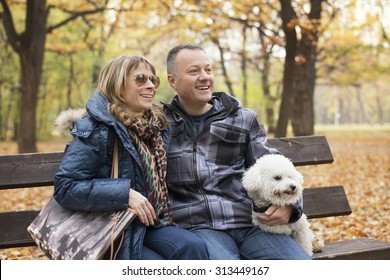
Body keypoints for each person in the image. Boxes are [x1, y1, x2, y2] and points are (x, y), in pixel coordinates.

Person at [163, 43, 311, 260]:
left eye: (208, 69)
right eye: (194, 71)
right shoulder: (160, 124)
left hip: (252, 224)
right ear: (172, 81)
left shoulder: (242, 118)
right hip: (201, 228)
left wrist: (292, 208)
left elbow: (273, 164)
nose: (204, 77)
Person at [54, 55, 209, 260]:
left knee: (193, 247)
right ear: (117, 85)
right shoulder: (98, 129)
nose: (150, 85)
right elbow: (66, 187)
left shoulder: (156, 127)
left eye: (153, 80)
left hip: (150, 224)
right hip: (110, 228)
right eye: (140, 79)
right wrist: (124, 193)